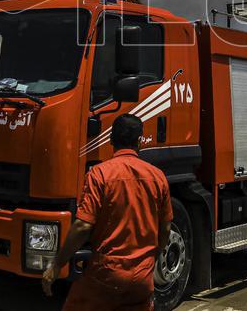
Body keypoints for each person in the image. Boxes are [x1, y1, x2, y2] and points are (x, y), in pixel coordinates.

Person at [42, 114, 172, 310]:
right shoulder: (158, 176)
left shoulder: (100, 174)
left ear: (111, 139)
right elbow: (165, 229)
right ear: (140, 141)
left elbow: (83, 226)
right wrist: (151, 258)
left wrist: (57, 264)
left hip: (107, 273)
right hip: (143, 276)